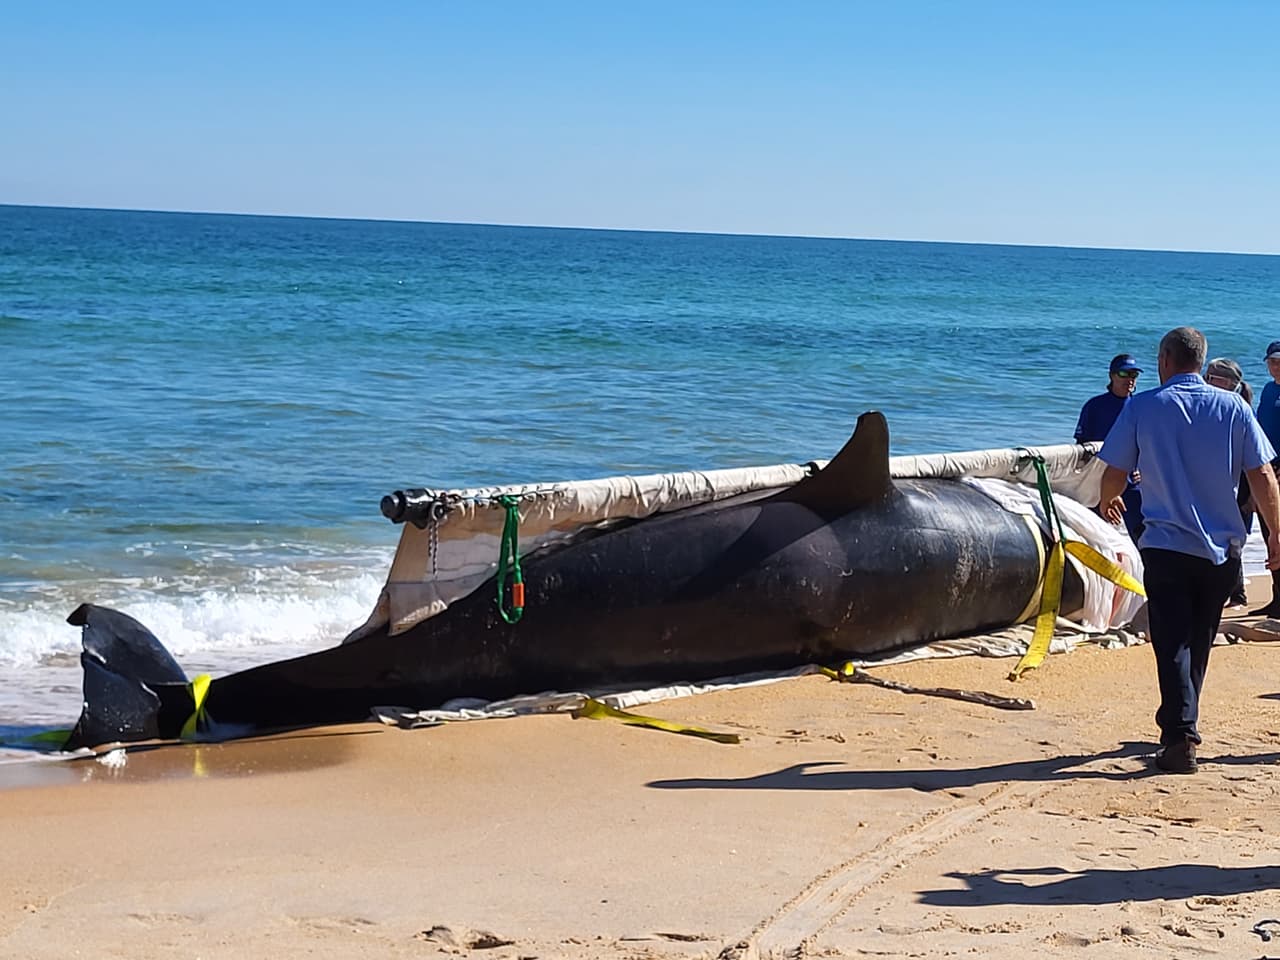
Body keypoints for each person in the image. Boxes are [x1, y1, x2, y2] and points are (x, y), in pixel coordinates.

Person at [1098, 327, 1280, 775]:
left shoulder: (1143, 406)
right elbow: (1261, 475)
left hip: (1166, 544)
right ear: (1200, 361)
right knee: (1197, 639)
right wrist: (1277, 532)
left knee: (1171, 641)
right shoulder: (1234, 406)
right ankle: (1182, 724)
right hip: (1222, 549)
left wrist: (1107, 499)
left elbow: (1115, 469)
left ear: (1165, 359)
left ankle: (1180, 736)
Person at [1075, 353, 1144, 541]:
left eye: (1134, 375)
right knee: (1093, 535)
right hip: (1098, 479)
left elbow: (1149, 446)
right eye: (1124, 373)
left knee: (1141, 535)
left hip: (1132, 482)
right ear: (1112, 375)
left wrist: (1145, 469)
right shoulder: (1094, 406)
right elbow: (1082, 449)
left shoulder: (1140, 407)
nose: (1130, 379)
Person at [1204, 358, 1254, 607]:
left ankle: (1237, 594)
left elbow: (1257, 464)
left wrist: (1251, 497)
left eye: (1209, 378)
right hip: (1225, 485)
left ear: (1224, 382)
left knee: (1232, 541)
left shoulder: (1239, 412)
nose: (1205, 382)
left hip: (1240, 486)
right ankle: (1229, 592)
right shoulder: (1222, 409)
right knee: (1225, 538)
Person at [1250, 340, 1280, 616]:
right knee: (1269, 531)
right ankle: (1276, 597)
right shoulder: (1269, 390)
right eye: (1272, 361)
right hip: (1266, 468)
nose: (1276, 366)